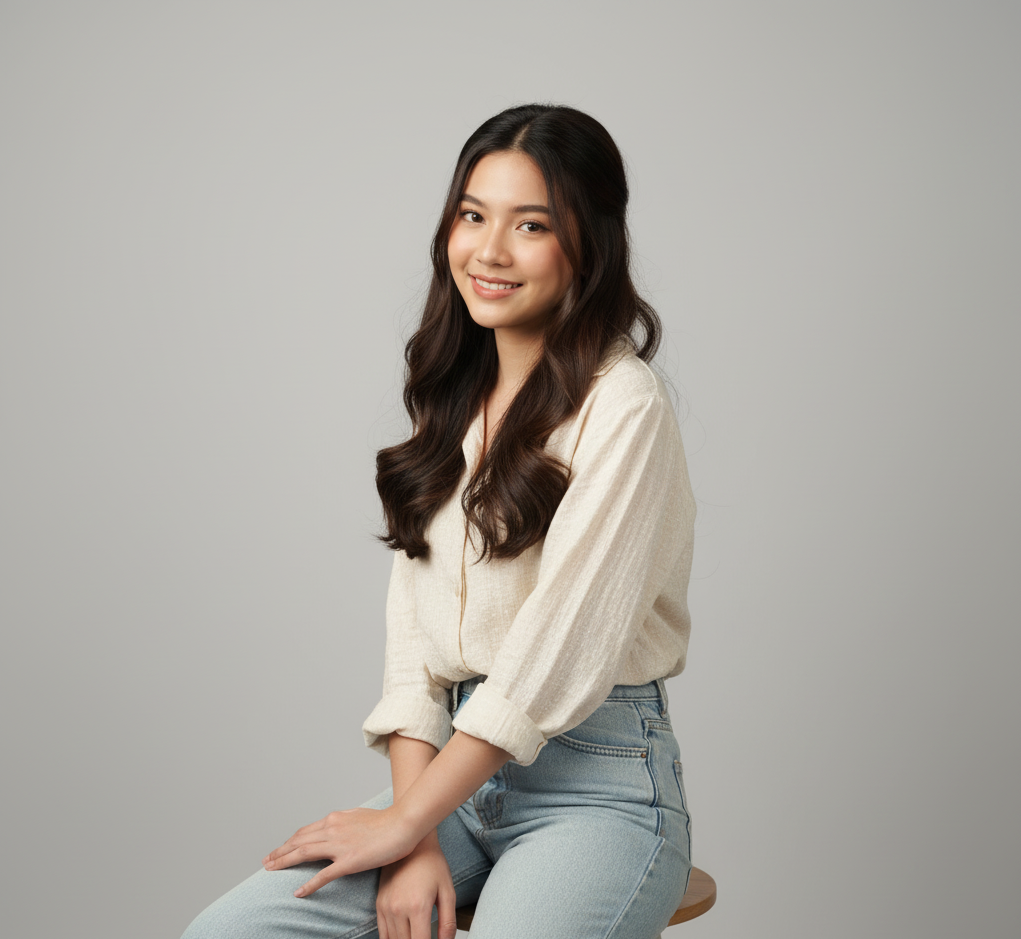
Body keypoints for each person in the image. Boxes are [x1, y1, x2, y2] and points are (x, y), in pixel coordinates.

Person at [181, 103, 697, 939]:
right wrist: (412, 827)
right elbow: (413, 647)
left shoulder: (623, 404)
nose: (489, 251)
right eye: (472, 215)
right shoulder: (458, 397)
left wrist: (406, 816)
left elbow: (551, 655)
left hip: (598, 790)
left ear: (588, 243)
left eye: (531, 224)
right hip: (452, 782)